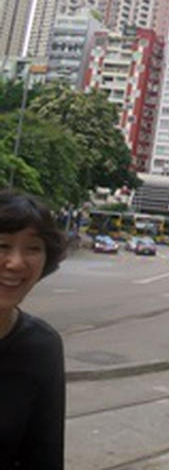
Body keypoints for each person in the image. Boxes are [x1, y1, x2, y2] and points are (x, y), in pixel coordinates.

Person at [0, 189, 67, 469]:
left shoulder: (43, 346)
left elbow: (44, 456)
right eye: (2, 246)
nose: (16, 263)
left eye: (33, 248)